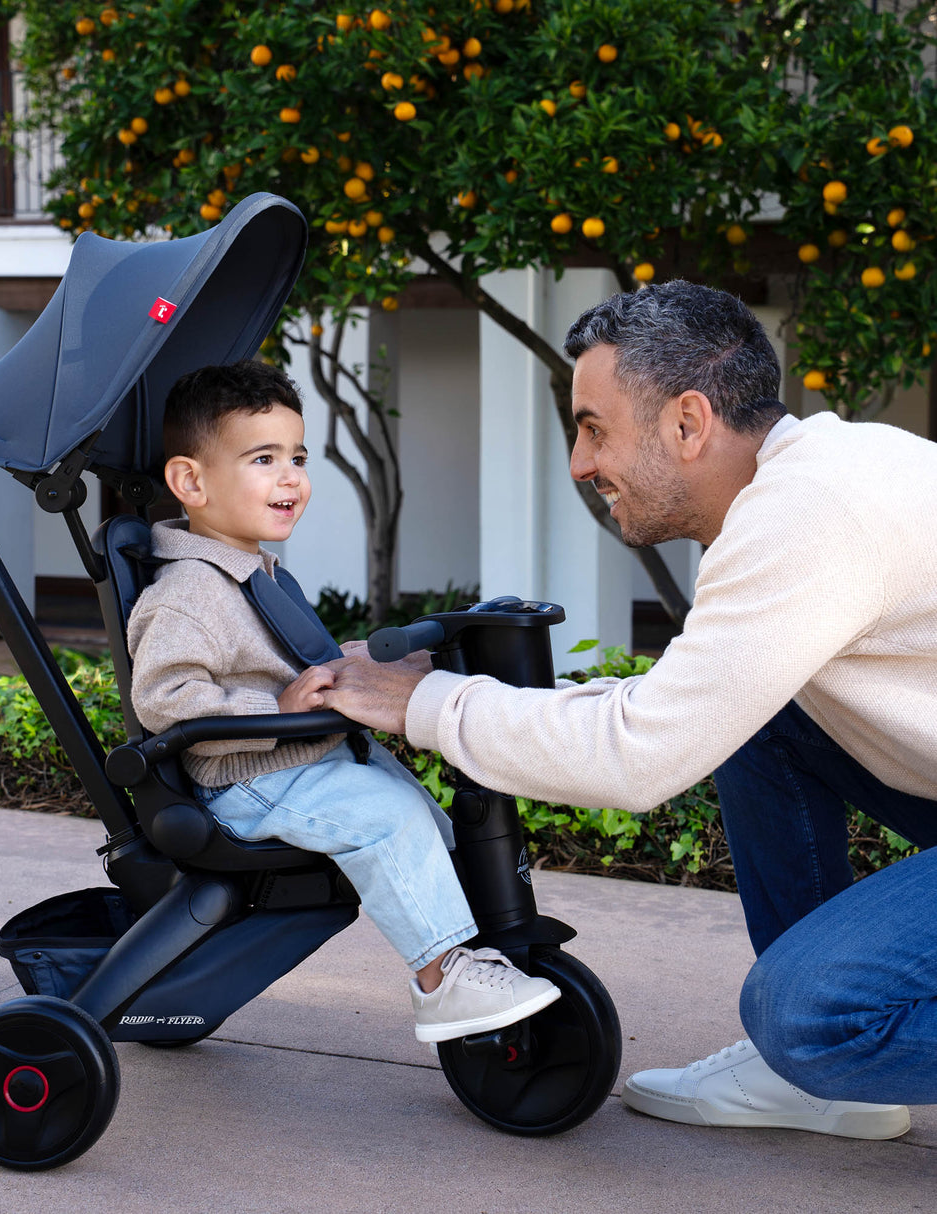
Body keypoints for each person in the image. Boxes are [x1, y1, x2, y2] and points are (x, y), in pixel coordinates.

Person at [323, 280, 937, 1140]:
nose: (580, 464)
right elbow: (680, 706)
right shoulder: (803, 485)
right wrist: (457, 694)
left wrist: (427, 705)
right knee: (760, 716)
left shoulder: (810, 515)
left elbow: (639, 753)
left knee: (810, 1015)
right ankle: (812, 1089)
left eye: (593, 428)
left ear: (688, 423)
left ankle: (812, 1062)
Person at [126, 359, 561, 1043]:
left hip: (304, 759)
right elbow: (167, 702)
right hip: (247, 781)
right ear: (191, 481)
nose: (292, 476)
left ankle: (476, 949)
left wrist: (365, 665)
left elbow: (293, 662)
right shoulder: (185, 592)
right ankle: (443, 980)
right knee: (387, 818)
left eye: (297, 456)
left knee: (427, 818)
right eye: (264, 458)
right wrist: (276, 710)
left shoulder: (254, 570)